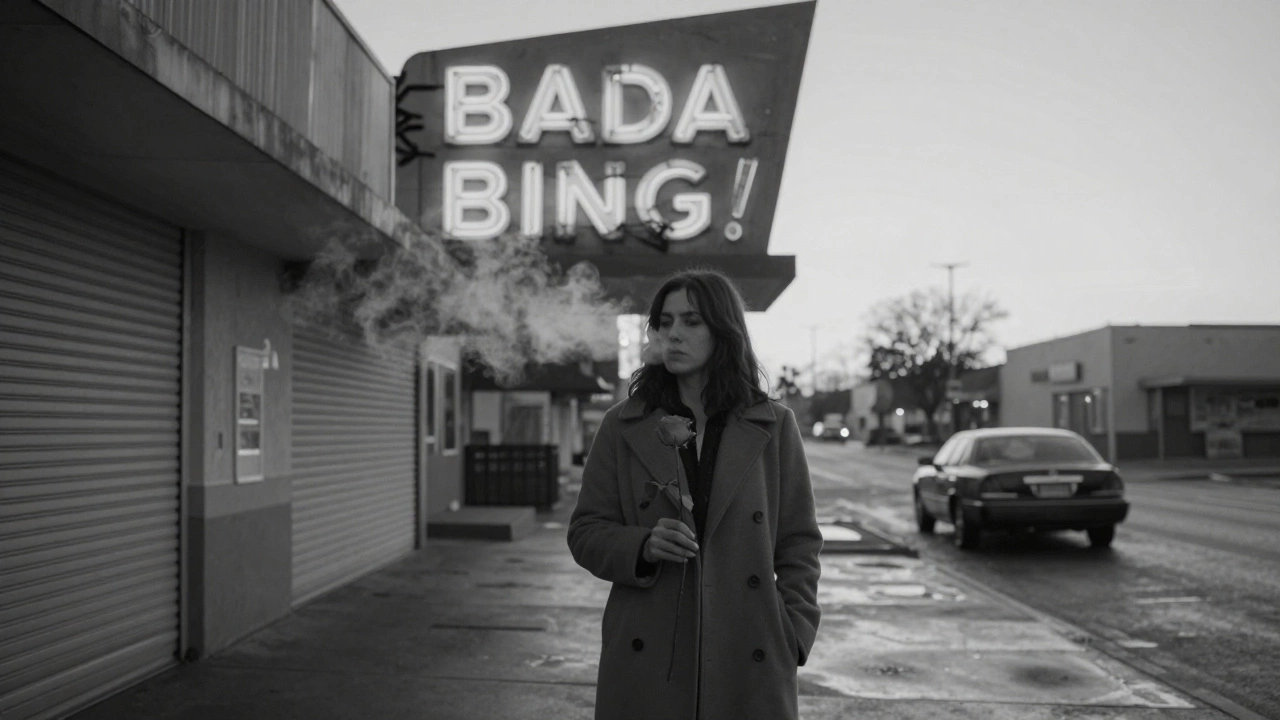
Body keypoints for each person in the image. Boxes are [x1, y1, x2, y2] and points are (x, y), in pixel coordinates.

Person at [568, 269, 822, 720]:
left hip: (751, 646)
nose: (673, 335)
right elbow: (585, 531)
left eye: (691, 321)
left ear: (723, 331)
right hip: (648, 651)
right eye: (664, 322)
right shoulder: (623, 425)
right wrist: (643, 546)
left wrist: (794, 631)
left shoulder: (774, 426)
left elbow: (799, 542)